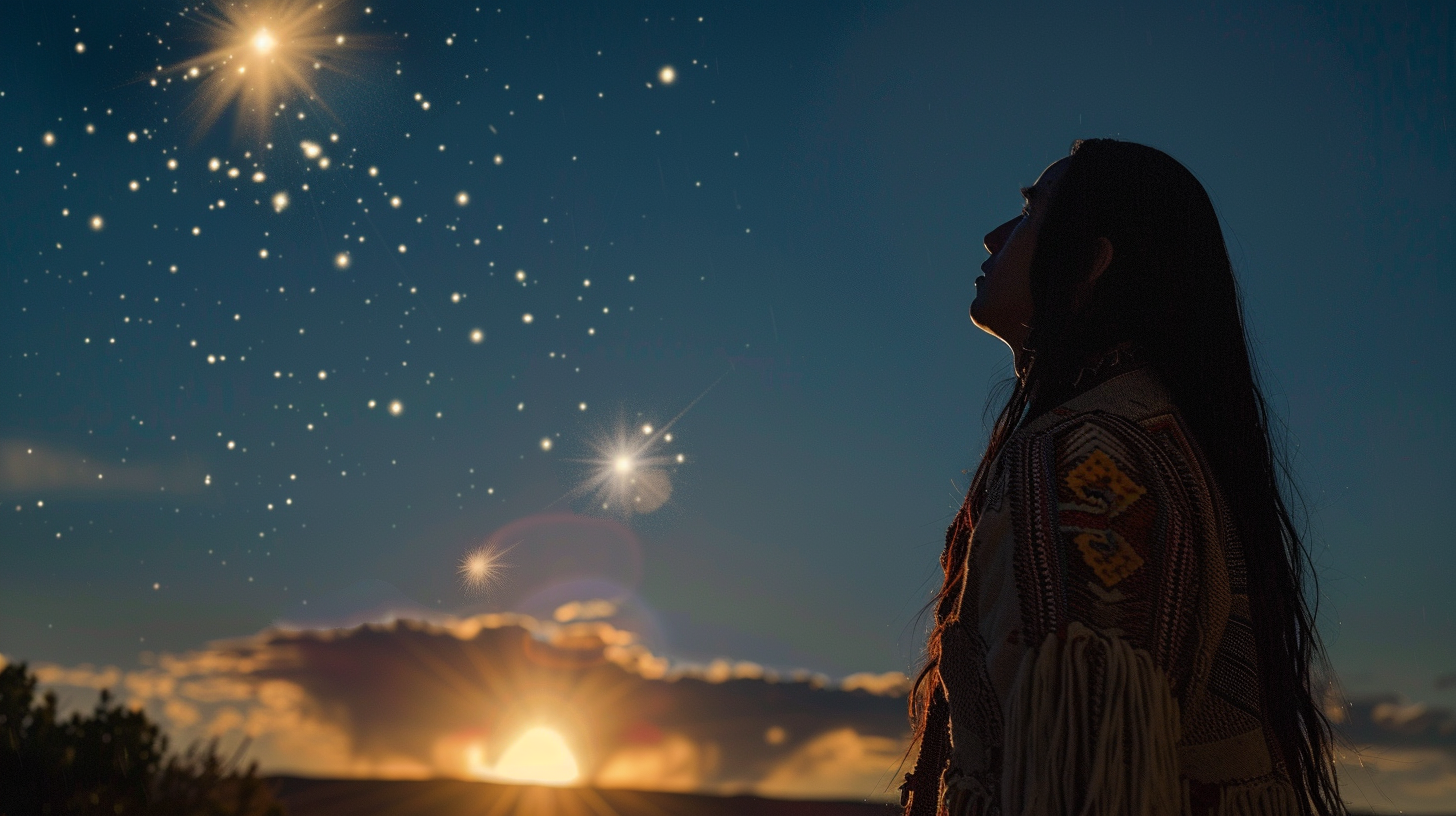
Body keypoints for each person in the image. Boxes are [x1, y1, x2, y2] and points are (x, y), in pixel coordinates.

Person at [899, 139, 1351, 815]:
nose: (994, 235)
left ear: (1091, 261)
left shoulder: (1087, 452)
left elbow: (1081, 772)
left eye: (1030, 213)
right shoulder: (1156, 434)